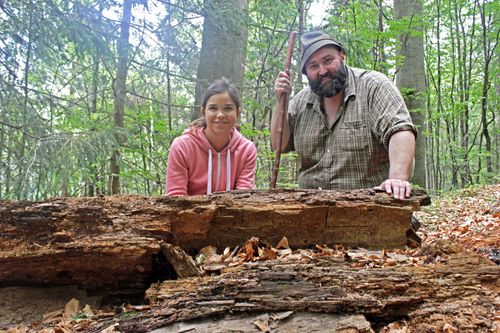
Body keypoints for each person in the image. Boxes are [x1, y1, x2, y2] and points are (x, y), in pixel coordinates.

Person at [271, 30, 417, 200]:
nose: (322, 70)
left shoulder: (374, 86)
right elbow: (279, 145)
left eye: (328, 60)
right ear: (306, 73)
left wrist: (397, 179)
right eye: (313, 66)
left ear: (342, 56)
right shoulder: (299, 102)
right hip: (309, 211)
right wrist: (281, 101)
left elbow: (400, 130)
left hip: (369, 209)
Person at [166, 78, 257, 196]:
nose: (220, 115)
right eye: (213, 108)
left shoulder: (247, 150)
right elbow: (176, 197)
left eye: (228, 108)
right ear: (204, 112)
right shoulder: (182, 146)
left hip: (233, 213)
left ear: (237, 113)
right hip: (188, 213)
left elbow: (243, 197)